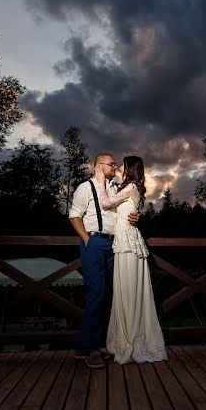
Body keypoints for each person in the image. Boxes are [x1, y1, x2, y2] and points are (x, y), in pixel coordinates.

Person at [68, 153, 140, 369]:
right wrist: (86, 239)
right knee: (96, 293)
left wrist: (137, 215)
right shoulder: (85, 187)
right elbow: (74, 215)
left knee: (111, 293)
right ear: (99, 167)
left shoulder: (113, 188)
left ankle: (97, 343)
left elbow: (126, 206)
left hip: (115, 244)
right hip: (95, 243)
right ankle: (91, 349)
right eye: (111, 163)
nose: (115, 166)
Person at [93, 155, 167, 364]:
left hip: (128, 244)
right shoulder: (128, 188)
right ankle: (124, 337)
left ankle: (133, 338)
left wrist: (99, 183)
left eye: (123, 165)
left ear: (130, 168)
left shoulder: (132, 186)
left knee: (128, 289)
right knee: (123, 290)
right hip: (123, 242)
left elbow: (106, 203)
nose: (120, 168)